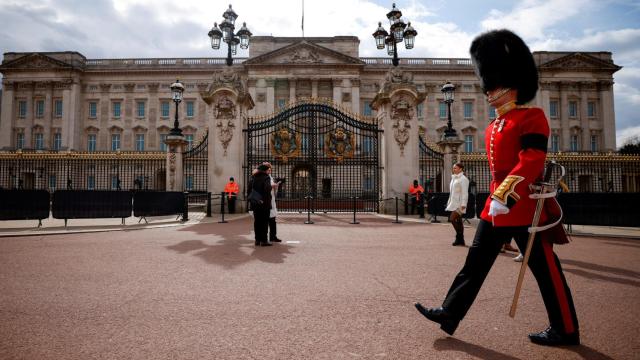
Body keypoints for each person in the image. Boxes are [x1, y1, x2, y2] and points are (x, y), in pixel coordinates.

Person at [414, 29, 580, 347]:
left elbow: (531, 159)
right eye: (488, 86)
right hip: (496, 206)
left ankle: (567, 328)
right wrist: (496, 198)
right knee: (474, 263)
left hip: (523, 206)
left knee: (547, 272)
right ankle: (450, 312)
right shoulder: (493, 125)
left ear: (512, 86)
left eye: (495, 86)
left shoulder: (532, 117)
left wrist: (507, 193)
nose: (489, 93)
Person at [445, 163, 469, 246]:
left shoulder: (464, 179)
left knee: (452, 219)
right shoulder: (454, 178)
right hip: (453, 203)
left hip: (460, 204)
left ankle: (459, 237)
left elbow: (465, 193)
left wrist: (463, 204)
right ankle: (461, 240)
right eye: (453, 168)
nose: (454, 169)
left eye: (455, 168)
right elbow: (452, 193)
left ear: (461, 169)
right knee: (459, 221)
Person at [250, 164, 272, 247]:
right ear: (265, 170)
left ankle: (257, 240)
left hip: (256, 202)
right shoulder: (266, 177)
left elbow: (249, 189)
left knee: (257, 222)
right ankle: (264, 241)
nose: (268, 172)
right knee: (264, 222)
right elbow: (267, 188)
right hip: (264, 203)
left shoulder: (254, 177)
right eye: (268, 170)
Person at [263, 162, 283, 243]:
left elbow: (273, 190)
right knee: (266, 220)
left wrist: (275, 187)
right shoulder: (264, 177)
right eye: (268, 169)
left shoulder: (270, 177)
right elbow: (265, 187)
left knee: (273, 219)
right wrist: (273, 186)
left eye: (270, 169)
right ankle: (264, 238)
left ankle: (273, 236)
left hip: (271, 200)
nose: (269, 170)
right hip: (266, 200)